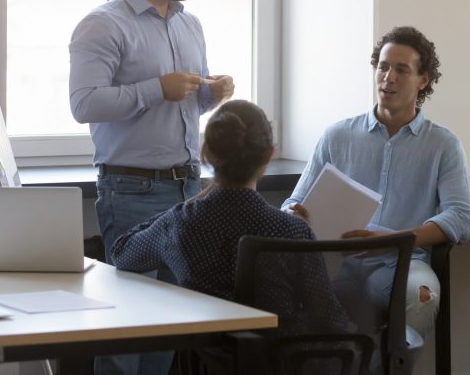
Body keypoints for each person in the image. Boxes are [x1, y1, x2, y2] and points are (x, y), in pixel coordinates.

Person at [69, 0, 234, 375]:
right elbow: (84, 104)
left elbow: (178, 108)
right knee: (125, 333)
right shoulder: (102, 25)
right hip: (133, 194)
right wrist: (154, 89)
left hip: (188, 192)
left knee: (165, 329)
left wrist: (209, 96)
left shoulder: (190, 25)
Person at [282, 26, 470, 344]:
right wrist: (293, 212)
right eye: (383, 67)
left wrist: (394, 240)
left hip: (403, 262)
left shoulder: (444, 144)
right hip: (333, 260)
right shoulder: (337, 135)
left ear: (423, 80)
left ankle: (386, 365)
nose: (389, 77)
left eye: (402, 69)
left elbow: (460, 218)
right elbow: (294, 201)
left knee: (424, 296)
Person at [110, 100, 348, 342]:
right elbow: (329, 319)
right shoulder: (292, 230)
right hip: (282, 363)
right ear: (268, 155)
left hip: (209, 364)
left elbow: (122, 252)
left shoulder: (180, 223)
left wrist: (182, 208)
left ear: (208, 155)